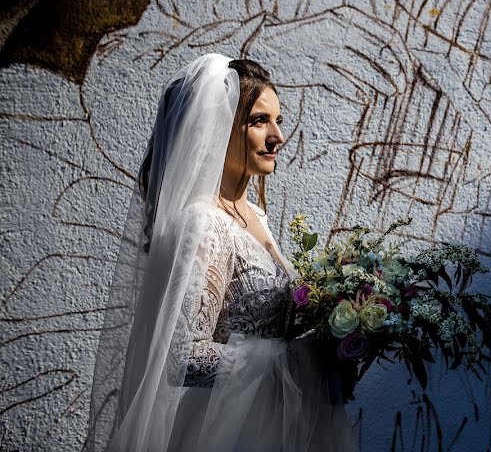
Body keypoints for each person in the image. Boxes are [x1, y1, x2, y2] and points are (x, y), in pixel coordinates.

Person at [85, 52, 356, 451]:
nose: (277, 136)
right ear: (217, 128)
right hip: (231, 433)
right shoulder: (204, 223)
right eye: (259, 121)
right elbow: (182, 357)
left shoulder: (255, 217)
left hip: (283, 425)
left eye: (277, 120)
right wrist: (295, 363)